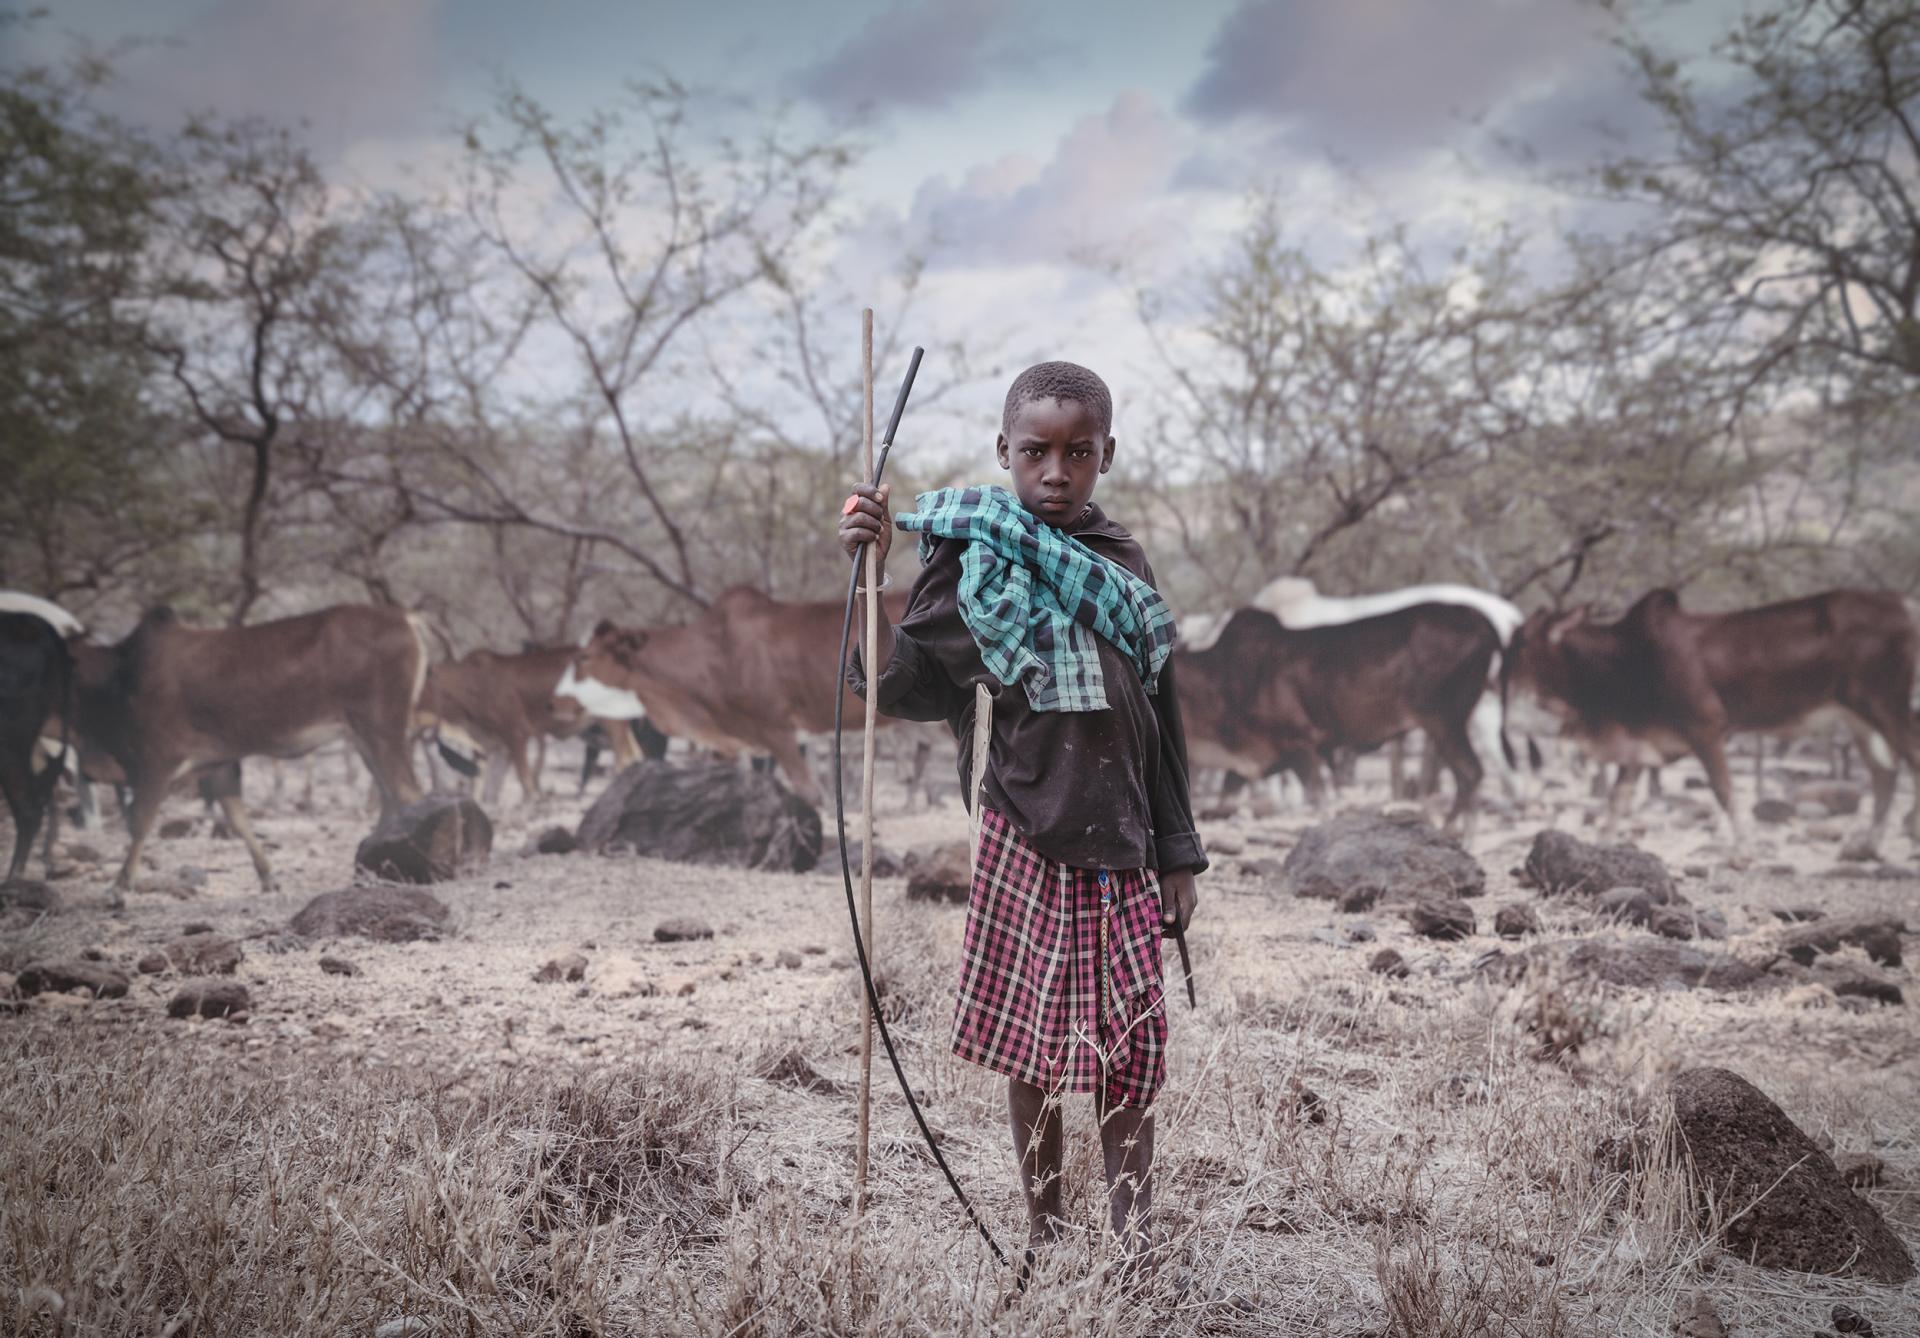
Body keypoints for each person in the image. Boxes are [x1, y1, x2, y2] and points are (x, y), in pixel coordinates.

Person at [838, 359, 1205, 1271]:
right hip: (1020, 825)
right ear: (1005, 450)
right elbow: (897, 685)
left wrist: (1179, 852)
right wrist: (868, 571)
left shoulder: (1120, 562)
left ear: (1106, 455)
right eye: (1035, 451)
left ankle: (1133, 1247)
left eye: (1078, 453)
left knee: (1129, 1051)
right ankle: (1046, 1238)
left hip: (1123, 834)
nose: (1055, 472)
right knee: (1034, 1047)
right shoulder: (970, 558)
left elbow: (1162, 714)